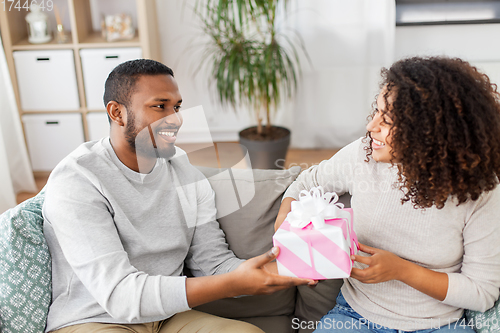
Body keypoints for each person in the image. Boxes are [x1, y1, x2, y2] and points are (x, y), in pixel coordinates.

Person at [42, 59, 315, 333]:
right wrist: (233, 283)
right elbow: (120, 296)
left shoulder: (183, 170)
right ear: (117, 113)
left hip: (166, 318)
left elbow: (213, 263)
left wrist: (296, 267)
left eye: (177, 107)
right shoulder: (78, 179)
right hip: (94, 319)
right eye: (160, 106)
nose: (176, 119)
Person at [274, 56, 500, 332]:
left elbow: (482, 292)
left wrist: (401, 271)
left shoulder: (481, 192)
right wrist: (290, 240)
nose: (371, 127)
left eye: (388, 120)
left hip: (438, 324)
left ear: (430, 133)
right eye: (376, 112)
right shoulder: (363, 155)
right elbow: (305, 184)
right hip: (355, 316)